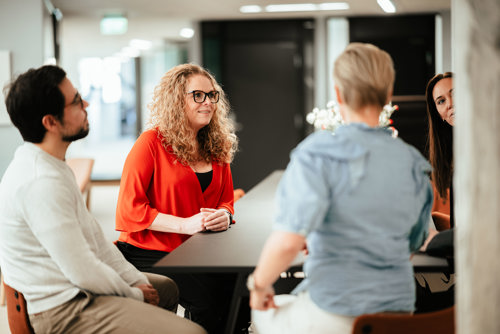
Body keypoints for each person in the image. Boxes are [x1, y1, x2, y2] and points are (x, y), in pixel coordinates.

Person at [0, 65, 206, 334]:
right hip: (64, 309)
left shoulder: (54, 165)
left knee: (166, 289)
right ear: (50, 122)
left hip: (77, 287)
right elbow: (82, 269)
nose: (85, 103)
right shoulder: (41, 182)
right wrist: (134, 294)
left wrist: (134, 280)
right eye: (75, 102)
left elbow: (96, 240)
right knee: (193, 332)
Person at [248, 43, 433, 333]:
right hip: (399, 315)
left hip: (335, 311)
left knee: (260, 316)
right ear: (387, 95)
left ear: (338, 94)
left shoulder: (317, 153)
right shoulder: (414, 163)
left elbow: (287, 242)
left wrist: (258, 286)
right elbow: (410, 244)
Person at [115, 64, 238, 333]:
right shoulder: (150, 143)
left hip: (196, 250)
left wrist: (225, 215)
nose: (208, 102)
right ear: (176, 99)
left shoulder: (217, 145)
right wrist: (184, 225)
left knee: (242, 287)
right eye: (198, 95)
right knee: (212, 297)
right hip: (150, 251)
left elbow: (226, 200)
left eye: (212, 95)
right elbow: (128, 209)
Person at [414, 72, 455, 313]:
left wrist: (433, 239)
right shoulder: (454, 152)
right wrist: (442, 224)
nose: (450, 104)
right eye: (441, 101)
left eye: (455, 93)